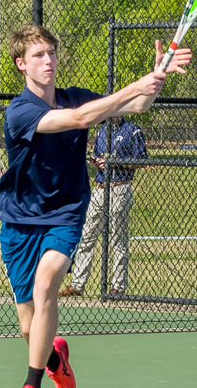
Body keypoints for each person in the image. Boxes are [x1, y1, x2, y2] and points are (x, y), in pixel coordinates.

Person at [0, 23, 190, 388]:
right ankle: (54, 360)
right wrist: (135, 84)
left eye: (51, 53)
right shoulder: (20, 112)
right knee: (29, 328)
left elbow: (136, 107)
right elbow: (81, 119)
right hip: (19, 220)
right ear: (21, 65)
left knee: (48, 283)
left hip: (65, 212)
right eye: (38, 55)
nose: (48, 61)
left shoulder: (75, 96)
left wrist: (158, 75)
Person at [59, 116, 148, 299]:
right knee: (87, 236)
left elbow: (142, 160)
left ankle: (118, 287)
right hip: (100, 188)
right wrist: (97, 161)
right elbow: (96, 154)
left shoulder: (132, 130)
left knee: (117, 238)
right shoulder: (102, 130)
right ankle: (77, 285)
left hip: (120, 186)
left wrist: (116, 162)